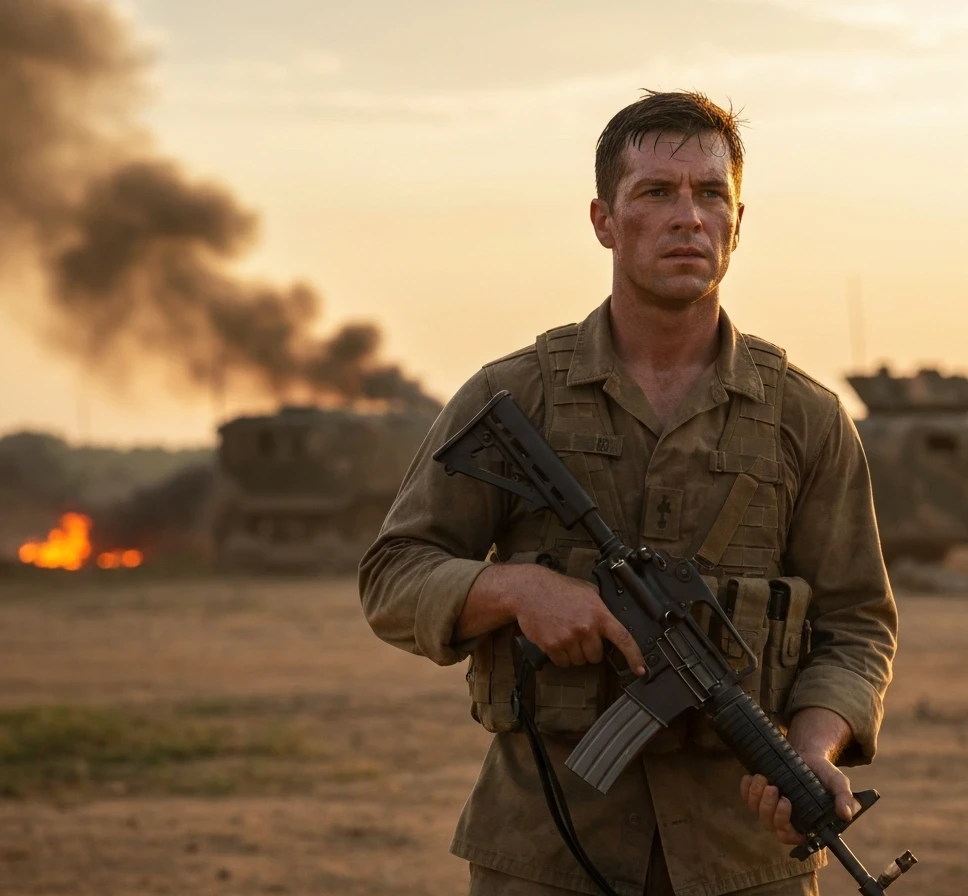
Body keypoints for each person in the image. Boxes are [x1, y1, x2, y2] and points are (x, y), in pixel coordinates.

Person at [359, 90, 897, 896]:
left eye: (711, 194)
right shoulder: (515, 397)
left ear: (738, 224)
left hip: (743, 857)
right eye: (656, 192)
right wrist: (518, 590)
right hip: (545, 850)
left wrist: (811, 749)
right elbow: (393, 575)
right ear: (603, 221)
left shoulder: (805, 417)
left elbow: (857, 623)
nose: (689, 217)